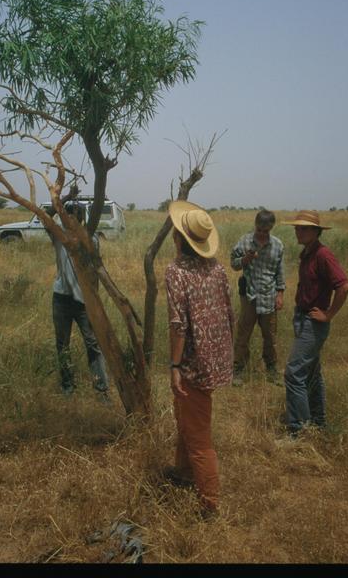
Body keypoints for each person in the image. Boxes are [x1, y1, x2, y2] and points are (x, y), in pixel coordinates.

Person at [163, 200, 234, 517]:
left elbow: (178, 325)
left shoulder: (176, 272)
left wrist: (175, 366)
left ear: (178, 237)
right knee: (187, 421)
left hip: (192, 364)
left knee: (200, 438)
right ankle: (182, 473)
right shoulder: (217, 268)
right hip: (215, 360)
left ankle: (210, 503)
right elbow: (229, 313)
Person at [282, 210, 348, 437]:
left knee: (293, 374)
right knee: (311, 373)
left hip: (313, 321)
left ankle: (298, 431)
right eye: (296, 227)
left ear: (315, 231)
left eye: (302, 228)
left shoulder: (323, 255)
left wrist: (329, 314)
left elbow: (344, 286)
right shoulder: (307, 253)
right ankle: (318, 424)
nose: (297, 231)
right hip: (303, 318)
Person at [46, 201, 110, 401]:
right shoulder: (60, 236)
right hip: (62, 298)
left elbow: (95, 270)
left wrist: (95, 300)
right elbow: (45, 217)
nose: (69, 220)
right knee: (62, 345)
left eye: (73, 217)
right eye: (67, 217)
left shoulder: (91, 239)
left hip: (84, 301)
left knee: (93, 345)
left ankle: (101, 390)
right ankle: (67, 388)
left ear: (81, 219)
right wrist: (62, 200)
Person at [230, 209, 286, 386]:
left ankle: (271, 369)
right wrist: (245, 259)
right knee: (243, 334)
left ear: (271, 228)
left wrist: (280, 294)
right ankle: (238, 369)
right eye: (259, 230)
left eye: (266, 231)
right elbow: (234, 264)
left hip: (269, 297)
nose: (262, 234)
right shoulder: (244, 241)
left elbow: (279, 272)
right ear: (255, 225)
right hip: (249, 297)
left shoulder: (277, 245)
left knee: (270, 335)